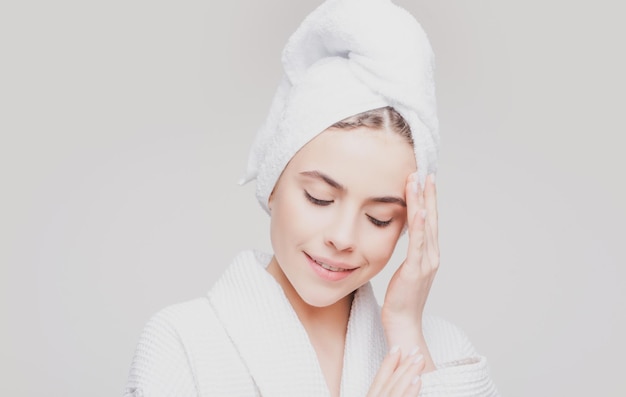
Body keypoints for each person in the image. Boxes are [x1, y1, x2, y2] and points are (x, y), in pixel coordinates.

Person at [124, 0, 499, 396]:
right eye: (320, 198)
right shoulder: (182, 344)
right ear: (273, 183)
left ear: (411, 224)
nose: (343, 237)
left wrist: (406, 327)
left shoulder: (441, 350)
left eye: (379, 218)